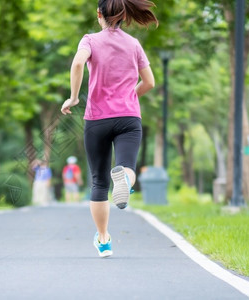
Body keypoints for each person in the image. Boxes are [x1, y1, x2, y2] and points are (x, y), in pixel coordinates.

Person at [60, 0, 158, 257]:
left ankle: (103, 239)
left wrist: (73, 97)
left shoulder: (90, 40)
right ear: (125, 16)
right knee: (127, 167)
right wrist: (130, 96)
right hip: (128, 118)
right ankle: (124, 179)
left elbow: (78, 64)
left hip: (97, 120)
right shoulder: (134, 44)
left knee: (99, 182)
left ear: (99, 14)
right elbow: (149, 82)